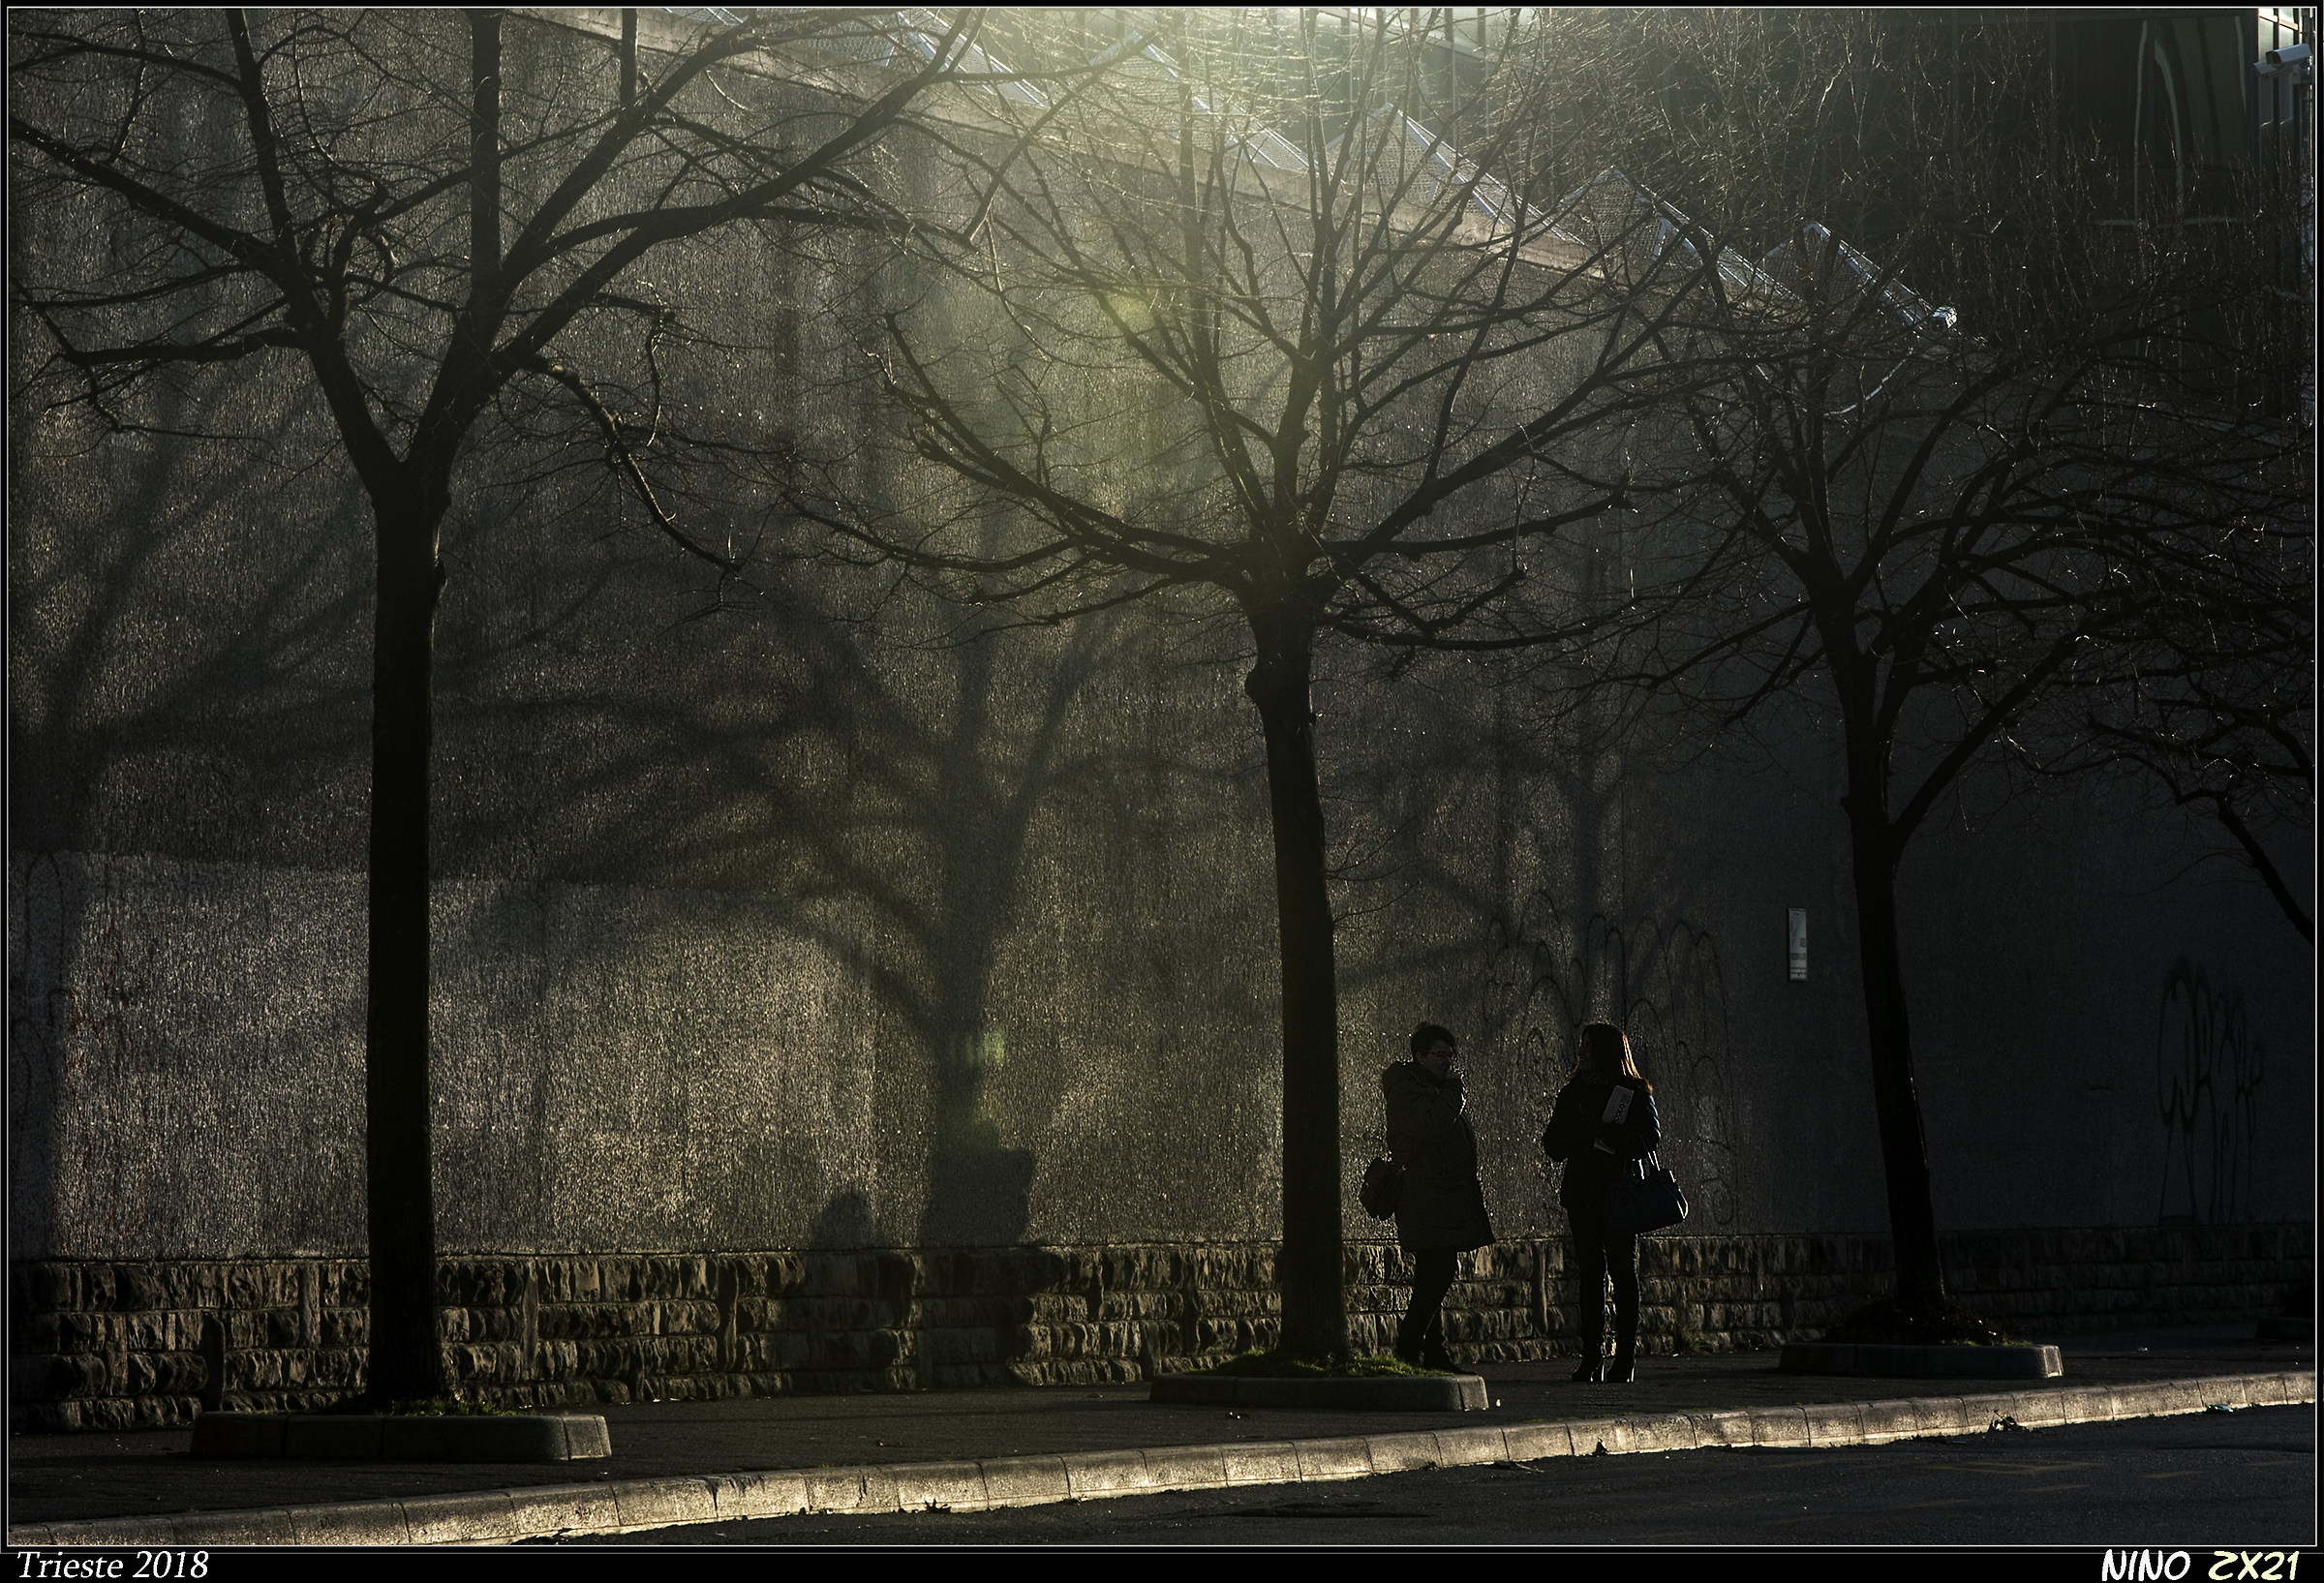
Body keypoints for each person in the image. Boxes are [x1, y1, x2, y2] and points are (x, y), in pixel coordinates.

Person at [1541, 1021, 1661, 1383]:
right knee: (1590, 1275)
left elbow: (1649, 1140)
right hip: (1582, 1194)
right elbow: (1552, 1144)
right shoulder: (1573, 1090)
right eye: (1582, 1047)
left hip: (1620, 1194)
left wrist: (1606, 1131)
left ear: (1607, 1052)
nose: (1582, 1054)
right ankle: (1591, 1356)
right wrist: (1577, 1132)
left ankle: (1624, 1358)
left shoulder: (1632, 1091)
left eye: (1589, 1048)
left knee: (1623, 1273)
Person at [1380, 1021, 1495, 1369]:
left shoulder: (1435, 1087)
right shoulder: (1409, 1089)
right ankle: (1408, 1347)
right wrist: (1454, 1094)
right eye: (1439, 1055)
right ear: (1419, 1056)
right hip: (1424, 1196)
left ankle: (1434, 1351)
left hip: (1443, 1195)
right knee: (1439, 1272)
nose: (1447, 1062)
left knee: (1434, 1274)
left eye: (1450, 1055)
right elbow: (1430, 1127)